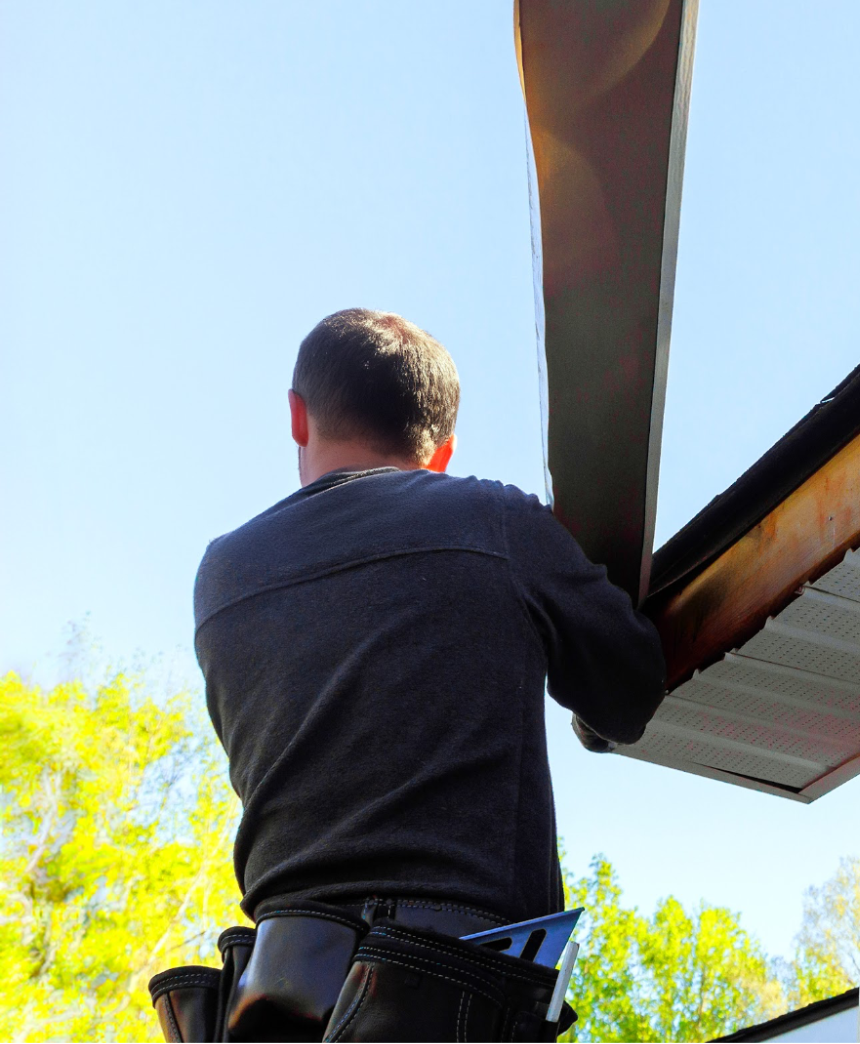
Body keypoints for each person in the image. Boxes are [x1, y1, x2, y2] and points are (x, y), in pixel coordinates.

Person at [154, 309, 667, 1043]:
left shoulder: (223, 573)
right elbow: (629, 693)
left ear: (298, 416)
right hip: (453, 987)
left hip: (274, 991)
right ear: (443, 449)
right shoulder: (490, 520)